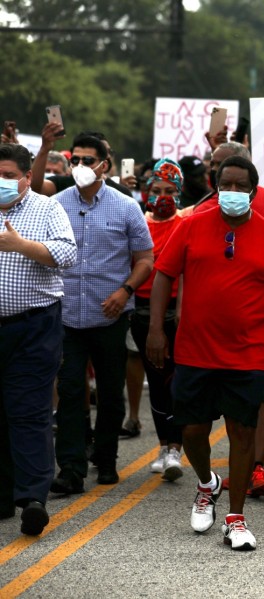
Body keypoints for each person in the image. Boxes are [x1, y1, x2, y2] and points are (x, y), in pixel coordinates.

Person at [147, 155, 264, 551]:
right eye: (225, 185)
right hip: (195, 349)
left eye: (240, 186)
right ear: (216, 187)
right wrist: (156, 331)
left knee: (242, 434)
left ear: (254, 190)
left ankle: (235, 518)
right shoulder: (192, 226)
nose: (233, 192)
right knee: (193, 431)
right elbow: (164, 275)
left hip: (248, 353)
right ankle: (206, 483)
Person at [52, 133, 154, 494]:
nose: (79, 166)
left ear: (104, 166)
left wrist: (124, 291)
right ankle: (71, 468)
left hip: (110, 316)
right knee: (69, 389)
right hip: (66, 317)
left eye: (86, 160)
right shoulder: (57, 204)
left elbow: (145, 259)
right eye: (74, 159)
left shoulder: (126, 206)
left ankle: (106, 458)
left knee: (110, 392)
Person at [0, 143, 77, 536]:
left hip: (33, 327)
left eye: (10, 175)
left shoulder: (47, 209)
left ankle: (32, 498)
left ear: (27, 177)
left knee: (29, 411)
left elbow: (67, 255)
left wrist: (22, 246)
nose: (3, 182)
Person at [129, 158, 186, 481]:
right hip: (142, 309)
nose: (162, 195)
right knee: (155, 373)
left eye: (169, 190)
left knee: (175, 379)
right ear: (146, 192)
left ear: (178, 193)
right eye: (156, 190)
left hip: (178, 310)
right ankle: (164, 445)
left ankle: (177, 447)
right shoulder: (138, 223)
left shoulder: (186, 223)